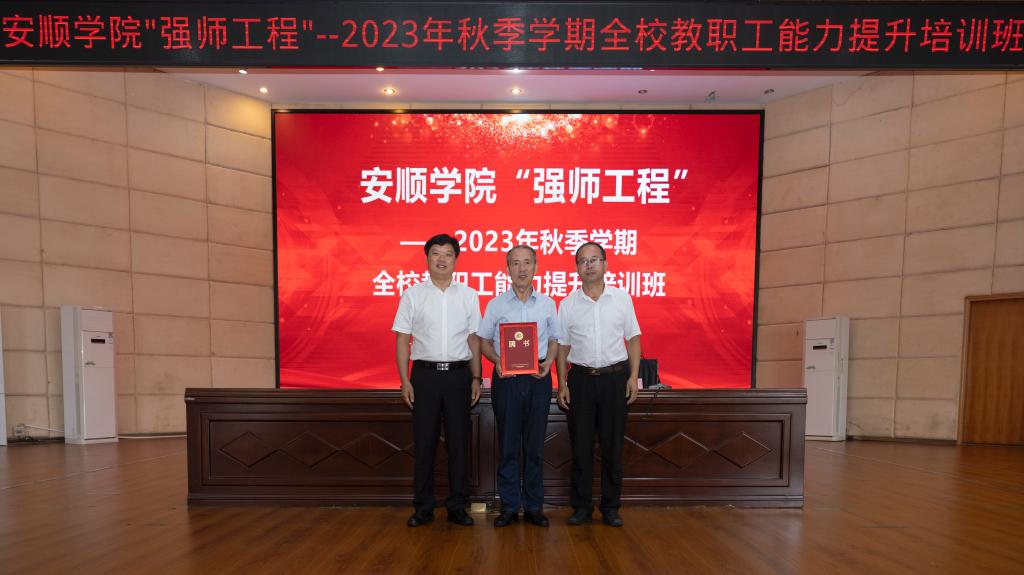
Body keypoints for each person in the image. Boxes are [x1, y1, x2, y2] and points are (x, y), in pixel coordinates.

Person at [393, 233, 482, 527]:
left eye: (448, 254)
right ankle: (423, 507)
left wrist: (476, 377)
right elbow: (402, 339)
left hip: (459, 376)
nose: (442, 259)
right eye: (436, 253)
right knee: (424, 443)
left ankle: (457, 506)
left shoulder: (468, 295)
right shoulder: (412, 295)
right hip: (424, 377)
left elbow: (473, 339)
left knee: (458, 444)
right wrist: (405, 381)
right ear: (427, 258)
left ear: (456, 260)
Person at [556, 242, 641, 527]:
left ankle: (611, 507)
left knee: (612, 447)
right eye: (583, 261)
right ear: (577, 268)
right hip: (580, 380)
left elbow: (633, 339)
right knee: (580, 448)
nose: (589, 265)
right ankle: (581, 506)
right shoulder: (568, 304)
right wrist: (562, 384)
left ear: (605, 264)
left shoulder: (621, 299)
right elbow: (562, 348)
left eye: (594, 260)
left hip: (615, 379)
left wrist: (633, 377)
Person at [478, 245, 560, 528]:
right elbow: (483, 342)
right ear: (507, 269)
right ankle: (510, 506)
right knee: (509, 445)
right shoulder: (496, 305)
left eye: (527, 263)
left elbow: (555, 339)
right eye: (515, 263)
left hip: (538, 378)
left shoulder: (547, 303)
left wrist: (549, 362)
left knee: (535, 447)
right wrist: (497, 361)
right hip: (507, 380)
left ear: (536, 267)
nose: (522, 269)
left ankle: (534, 506)